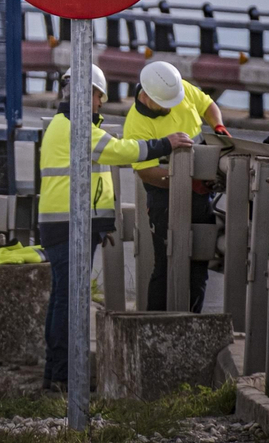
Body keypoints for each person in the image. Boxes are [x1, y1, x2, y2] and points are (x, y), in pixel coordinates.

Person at [40, 63, 193, 392]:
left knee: (62, 299)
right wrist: (165, 144)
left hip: (67, 224)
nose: (100, 103)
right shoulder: (75, 127)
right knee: (69, 301)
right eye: (98, 96)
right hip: (69, 226)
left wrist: (101, 223)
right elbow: (119, 150)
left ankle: (56, 375)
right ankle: (63, 378)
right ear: (86, 94)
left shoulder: (62, 124)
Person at [124, 61, 227, 313]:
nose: (171, 107)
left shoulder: (177, 88)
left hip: (200, 190)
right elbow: (146, 172)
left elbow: (207, 105)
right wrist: (185, 182)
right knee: (166, 265)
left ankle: (191, 320)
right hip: (164, 198)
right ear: (147, 96)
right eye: (165, 104)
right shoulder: (136, 124)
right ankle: (155, 323)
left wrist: (218, 126)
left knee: (198, 265)